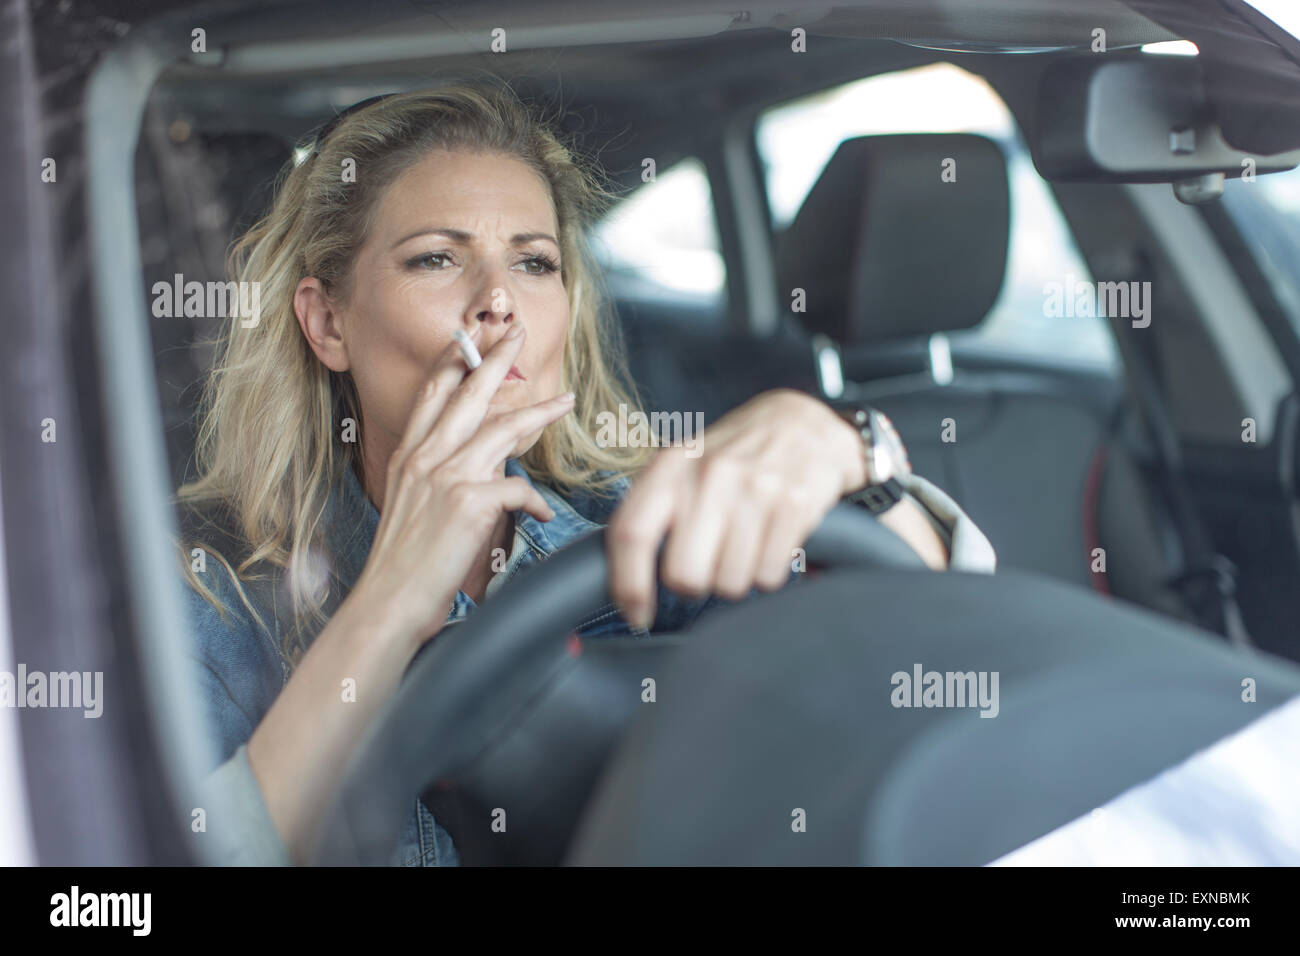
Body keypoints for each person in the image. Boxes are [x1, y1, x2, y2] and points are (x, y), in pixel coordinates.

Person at [176, 82, 996, 867]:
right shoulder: (215, 603)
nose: (498, 302)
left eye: (534, 263)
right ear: (328, 324)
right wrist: (392, 598)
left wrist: (849, 451)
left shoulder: (646, 525)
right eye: (434, 259)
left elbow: (939, 665)